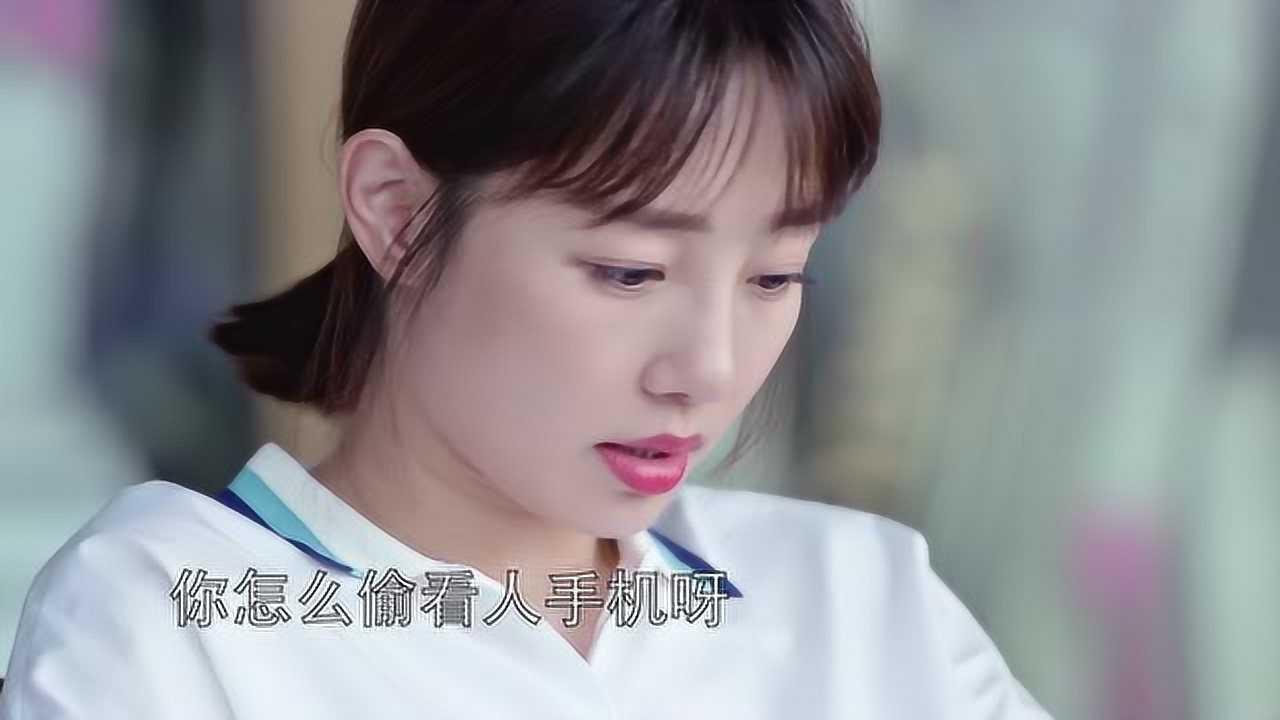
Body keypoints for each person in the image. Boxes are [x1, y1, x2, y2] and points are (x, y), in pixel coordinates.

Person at [0, 1, 1052, 717]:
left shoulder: (862, 603)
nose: (709, 368)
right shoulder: (176, 620)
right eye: (630, 272)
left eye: (773, 277)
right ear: (395, 210)